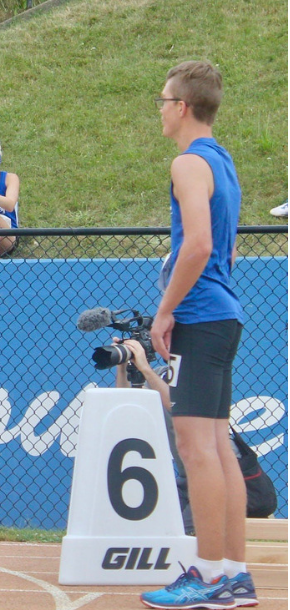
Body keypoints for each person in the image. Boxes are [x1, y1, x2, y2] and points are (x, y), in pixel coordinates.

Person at [142, 61, 254, 610]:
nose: (160, 110)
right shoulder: (224, 162)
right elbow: (228, 249)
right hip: (223, 314)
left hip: (201, 317)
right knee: (217, 445)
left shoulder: (188, 163)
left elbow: (201, 245)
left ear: (181, 107)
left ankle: (210, 575)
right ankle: (232, 573)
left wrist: (166, 311)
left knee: (195, 448)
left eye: (163, 100)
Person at [113, 338, 193, 535]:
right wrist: (122, 368)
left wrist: (145, 368)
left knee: (187, 536)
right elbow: (126, 405)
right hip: (185, 480)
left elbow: (177, 405)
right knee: (156, 534)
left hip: (212, 476)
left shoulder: (198, 371)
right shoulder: (160, 374)